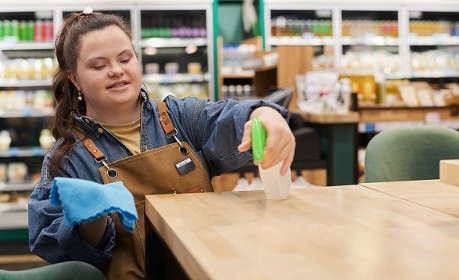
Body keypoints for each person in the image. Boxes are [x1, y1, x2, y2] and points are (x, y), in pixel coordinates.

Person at [27, 12, 295, 280]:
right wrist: (88, 220)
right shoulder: (68, 159)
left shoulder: (180, 118)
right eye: (99, 66)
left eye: (125, 58)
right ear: (75, 79)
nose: (117, 70)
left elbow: (230, 117)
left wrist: (264, 116)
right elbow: (61, 251)